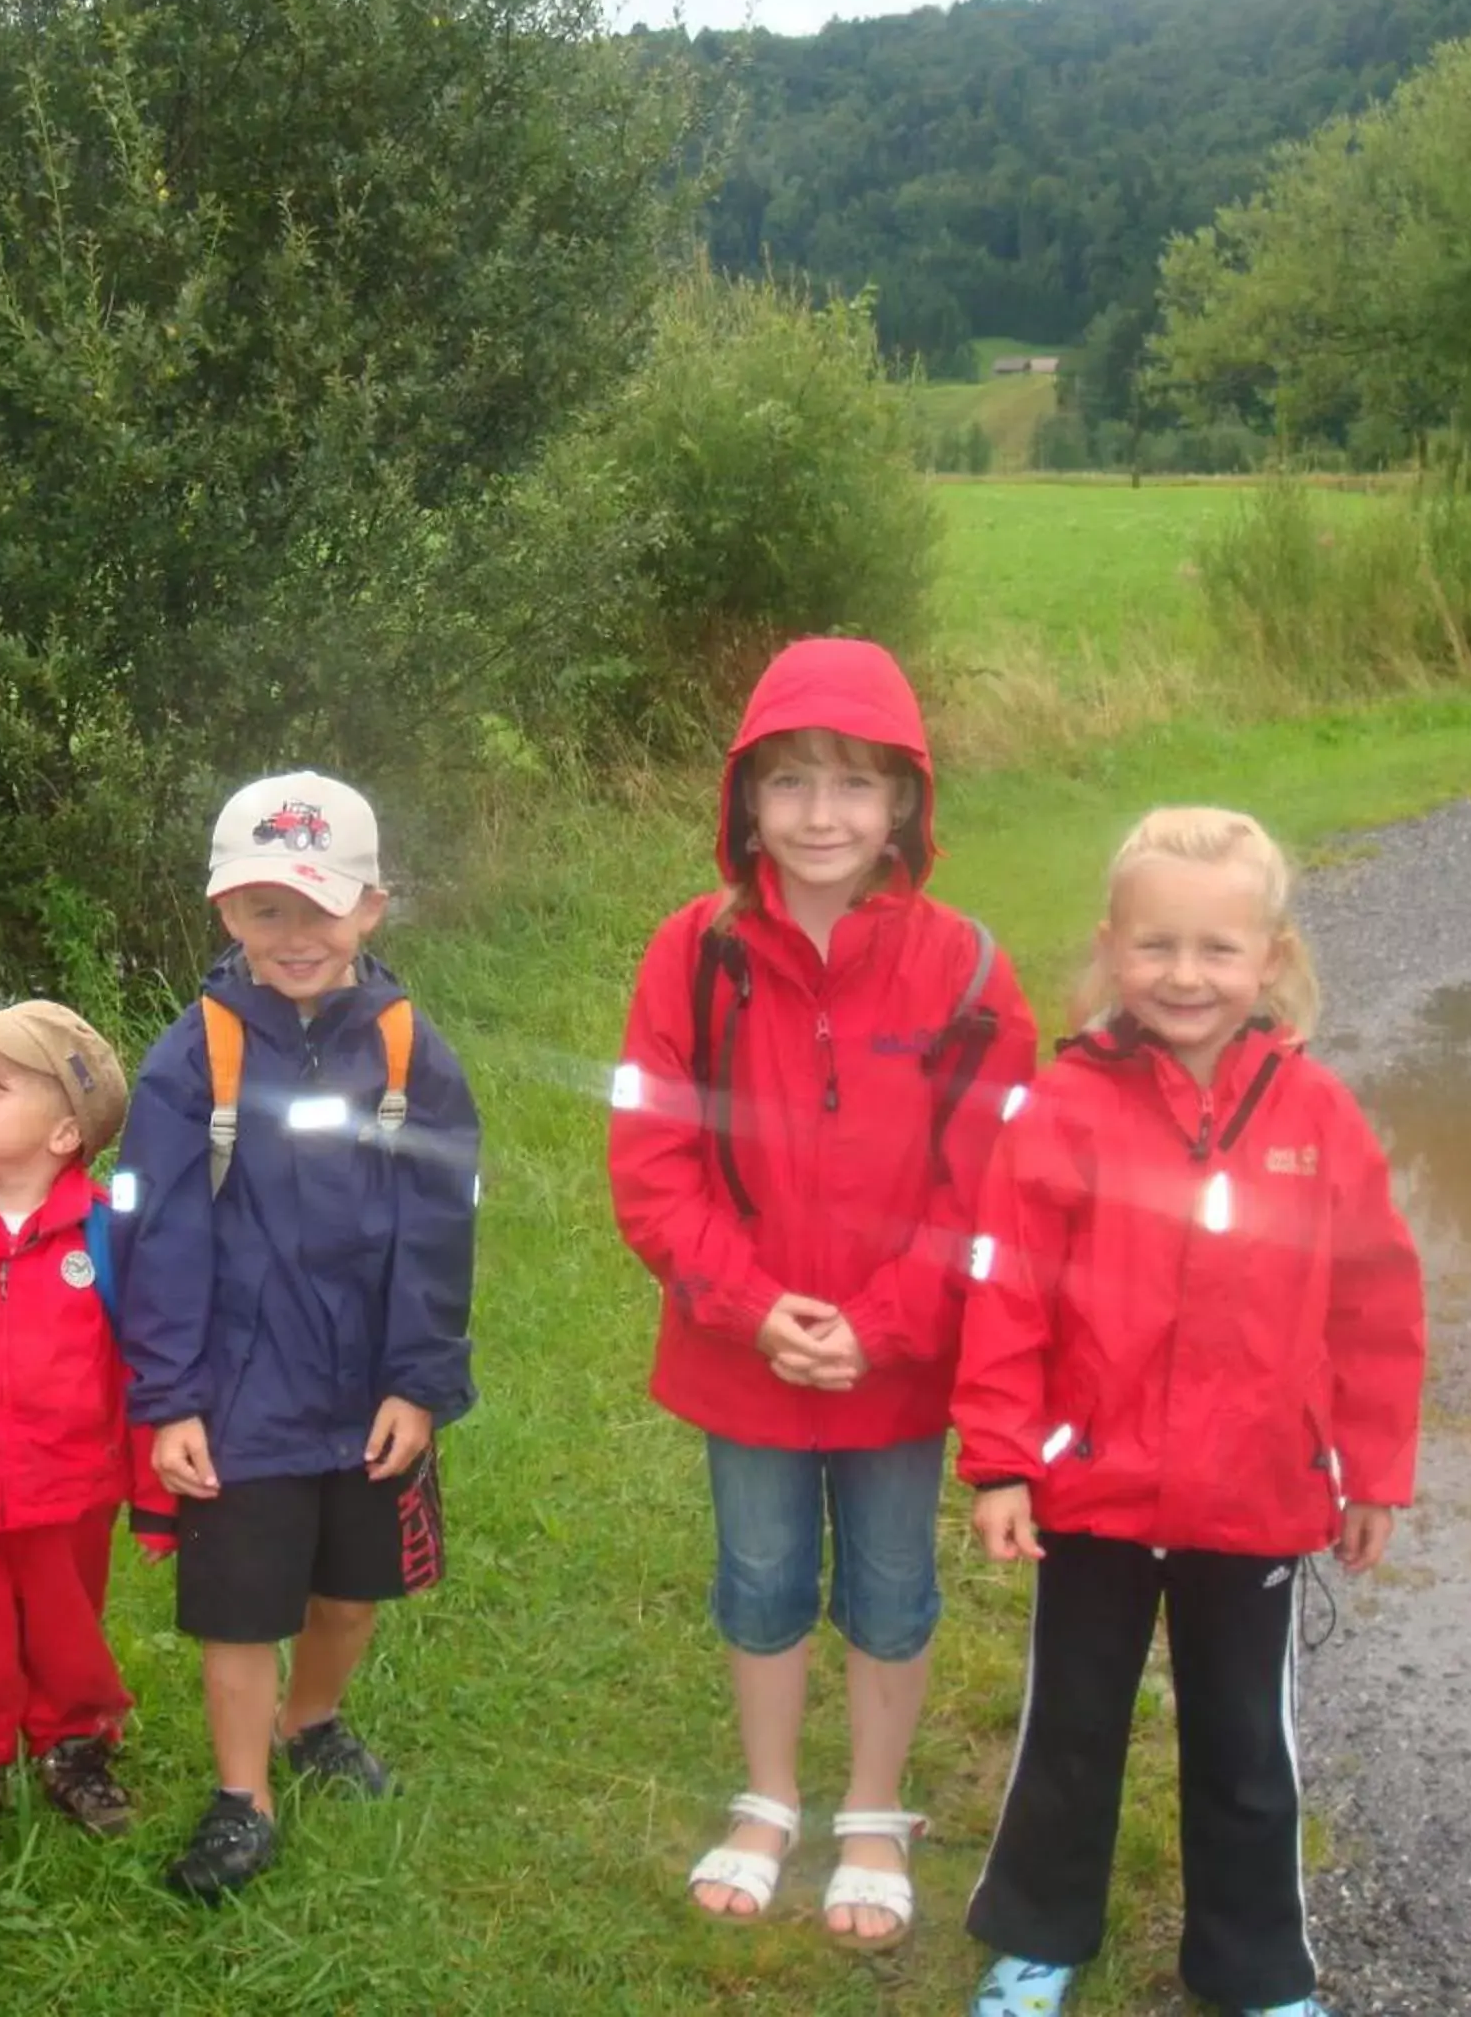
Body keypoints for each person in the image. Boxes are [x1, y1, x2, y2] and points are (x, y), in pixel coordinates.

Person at [956, 806, 1425, 2017]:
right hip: (1093, 1498)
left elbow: (1376, 1301)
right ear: (1113, 949)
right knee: (1070, 1732)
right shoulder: (1063, 1103)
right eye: (1157, 946)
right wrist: (1004, 1462)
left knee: (1246, 1755)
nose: (1185, 975)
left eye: (1218, 950)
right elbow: (1006, 1291)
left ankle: (1258, 1971)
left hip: (1255, 1499)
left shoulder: (1318, 1117)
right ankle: (1039, 1940)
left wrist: (1370, 1470)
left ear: (1269, 958)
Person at [609, 635, 1036, 1946]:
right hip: (743, 1354)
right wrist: (750, 1308)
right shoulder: (689, 954)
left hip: (901, 1367)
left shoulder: (967, 969)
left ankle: (869, 1806)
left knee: (895, 1585)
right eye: (789, 782)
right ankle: (771, 1794)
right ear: (746, 799)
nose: (820, 815)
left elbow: (994, 1188)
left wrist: (888, 1323)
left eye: (855, 783)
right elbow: (650, 1159)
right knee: (761, 1574)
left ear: (906, 800)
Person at [111, 770, 482, 1904]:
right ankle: (242, 1798)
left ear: (372, 906)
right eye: (264, 909)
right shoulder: (192, 1058)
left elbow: (436, 1231)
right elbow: (158, 1234)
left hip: (368, 1389)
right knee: (239, 1607)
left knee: (351, 1595)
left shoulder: (412, 1052)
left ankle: (310, 1719)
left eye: (319, 907)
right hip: (238, 1397)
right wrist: (171, 1397)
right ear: (227, 913)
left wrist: (418, 1385)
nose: (295, 935)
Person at [0, 995, 166, 1859]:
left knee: (68, 1629)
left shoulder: (107, 1233)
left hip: (72, 1489)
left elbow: (144, 1367)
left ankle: (74, 1747)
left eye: (2, 1086)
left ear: (62, 1137)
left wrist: (157, 1495)